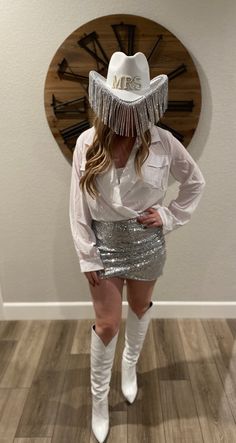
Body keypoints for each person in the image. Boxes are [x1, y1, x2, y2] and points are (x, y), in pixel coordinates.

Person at [69, 51, 206, 443]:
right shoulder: (87, 142)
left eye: (136, 105)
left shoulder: (163, 142)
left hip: (147, 242)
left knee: (140, 308)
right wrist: (86, 254)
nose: (128, 113)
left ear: (148, 103)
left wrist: (167, 216)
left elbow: (195, 182)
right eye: (120, 104)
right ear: (106, 101)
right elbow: (77, 206)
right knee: (108, 324)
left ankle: (130, 365)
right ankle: (99, 401)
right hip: (103, 245)